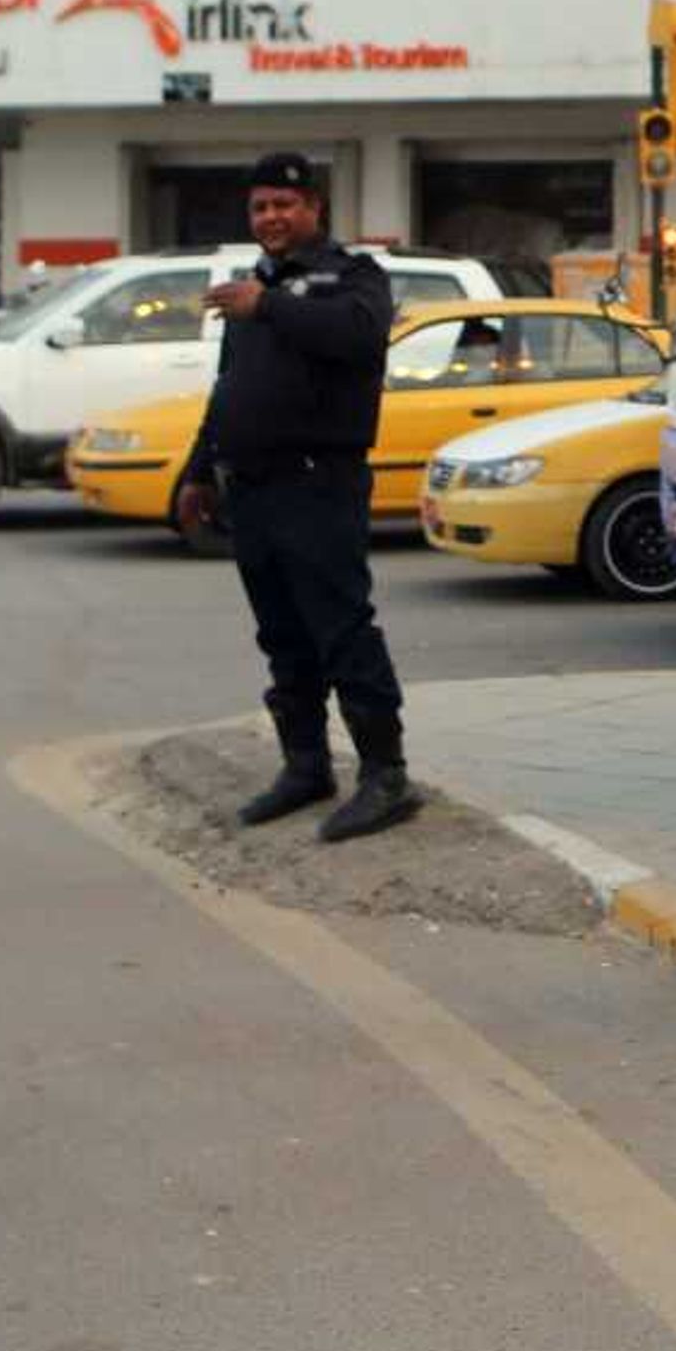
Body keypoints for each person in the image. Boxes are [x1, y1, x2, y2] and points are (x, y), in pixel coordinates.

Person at [174, 155, 419, 844]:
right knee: (282, 634)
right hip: (251, 486)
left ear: (314, 207)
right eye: (260, 207)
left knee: (341, 627)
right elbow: (230, 388)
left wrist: (271, 306)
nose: (271, 218)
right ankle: (306, 765)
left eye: (284, 203)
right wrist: (197, 470)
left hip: (319, 482)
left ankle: (386, 774)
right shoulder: (255, 288)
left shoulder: (353, 276)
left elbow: (359, 336)